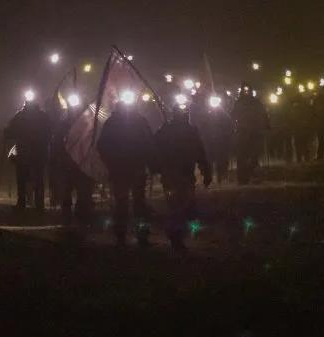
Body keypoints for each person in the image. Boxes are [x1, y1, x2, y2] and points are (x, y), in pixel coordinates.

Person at [97, 99, 156, 246]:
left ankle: (129, 235)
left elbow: (149, 144)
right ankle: (128, 235)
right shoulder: (119, 123)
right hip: (125, 169)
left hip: (129, 169)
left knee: (129, 203)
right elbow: (102, 146)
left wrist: (152, 164)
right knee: (131, 203)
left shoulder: (132, 122)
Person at [155, 105, 212, 250]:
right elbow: (200, 153)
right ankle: (176, 235)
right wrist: (206, 171)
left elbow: (199, 152)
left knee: (179, 205)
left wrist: (206, 171)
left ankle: (178, 234)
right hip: (176, 175)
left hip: (179, 175)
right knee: (179, 205)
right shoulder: (177, 131)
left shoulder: (171, 131)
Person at [50, 101, 94, 224]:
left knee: (83, 192)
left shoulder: (88, 125)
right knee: (66, 192)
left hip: (82, 164)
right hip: (67, 163)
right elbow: (57, 143)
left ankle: (82, 216)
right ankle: (67, 217)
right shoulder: (63, 126)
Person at [4, 98, 51, 210]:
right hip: (38, 153)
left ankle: (22, 203)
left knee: (22, 179)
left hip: (24, 153)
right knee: (38, 179)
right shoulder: (43, 117)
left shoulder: (20, 116)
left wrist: (6, 133)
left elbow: (10, 132)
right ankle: (39, 204)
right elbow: (49, 132)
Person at [231, 84, 269, 184]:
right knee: (241, 156)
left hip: (254, 133)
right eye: (244, 90)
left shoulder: (256, 102)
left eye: (248, 90)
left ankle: (254, 175)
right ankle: (242, 178)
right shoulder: (238, 103)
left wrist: (265, 126)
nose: (246, 92)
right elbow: (233, 115)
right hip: (242, 133)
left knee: (254, 155)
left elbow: (263, 115)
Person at [201, 101, 234, 184]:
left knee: (221, 159)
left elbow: (229, 127)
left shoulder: (225, 116)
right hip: (211, 141)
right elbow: (203, 127)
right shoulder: (207, 116)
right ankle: (210, 178)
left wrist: (227, 137)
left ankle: (222, 177)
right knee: (210, 160)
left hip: (221, 141)